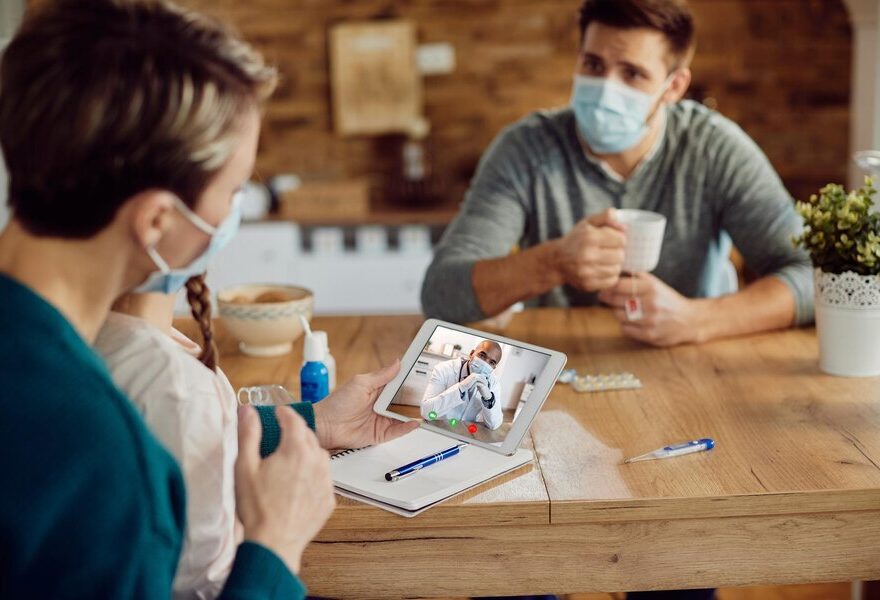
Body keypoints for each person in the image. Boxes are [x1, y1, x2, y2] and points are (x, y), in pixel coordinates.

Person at [0, 0, 413, 596]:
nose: (233, 214)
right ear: (158, 222)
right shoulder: (96, 454)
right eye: (235, 190)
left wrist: (308, 422)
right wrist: (274, 545)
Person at [421, 0, 813, 348]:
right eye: (593, 65)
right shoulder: (525, 149)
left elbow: (816, 275)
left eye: (632, 74)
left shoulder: (715, 149)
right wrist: (553, 262)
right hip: (564, 364)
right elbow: (441, 292)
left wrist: (697, 320)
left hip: (693, 365)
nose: (606, 89)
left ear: (673, 86)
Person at [421, 341, 503, 430]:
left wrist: (489, 399)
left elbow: (494, 425)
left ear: (494, 368)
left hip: (465, 431)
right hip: (439, 426)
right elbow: (426, 412)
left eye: (492, 362)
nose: (485, 364)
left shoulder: (493, 382)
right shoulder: (444, 369)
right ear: (471, 354)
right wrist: (461, 388)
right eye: (482, 356)